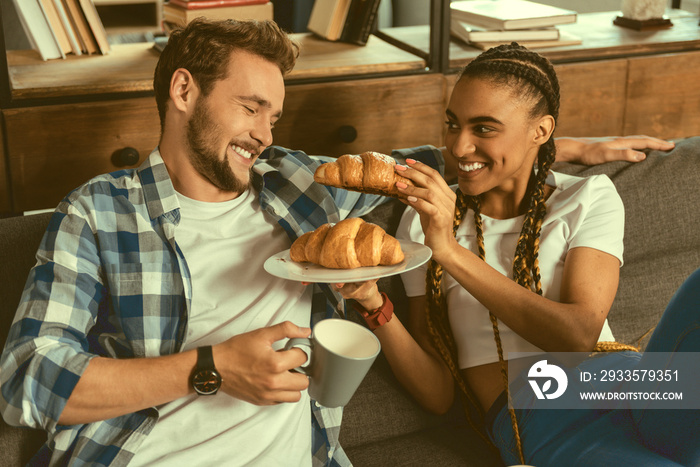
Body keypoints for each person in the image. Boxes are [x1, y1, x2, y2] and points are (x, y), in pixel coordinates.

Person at [0, 17, 675, 466]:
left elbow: (414, 164)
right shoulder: (97, 214)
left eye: (274, 115)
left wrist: (558, 150)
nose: (265, 133)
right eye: (250, 107)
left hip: (614, 375)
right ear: (183, 90)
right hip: (537, 397)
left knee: (688, 362)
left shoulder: (296, 184)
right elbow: (24, 380)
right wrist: (210, 366)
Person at [337, 43, 698, 466]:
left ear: (541, 132)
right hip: (546, 417)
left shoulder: (588, 196)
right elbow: (438, 396)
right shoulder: (424, 221)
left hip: (631, 383)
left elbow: (579, 336)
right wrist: (374, 305)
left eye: (484, 128)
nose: (459, 146)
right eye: (453, 124)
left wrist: (451, 253)